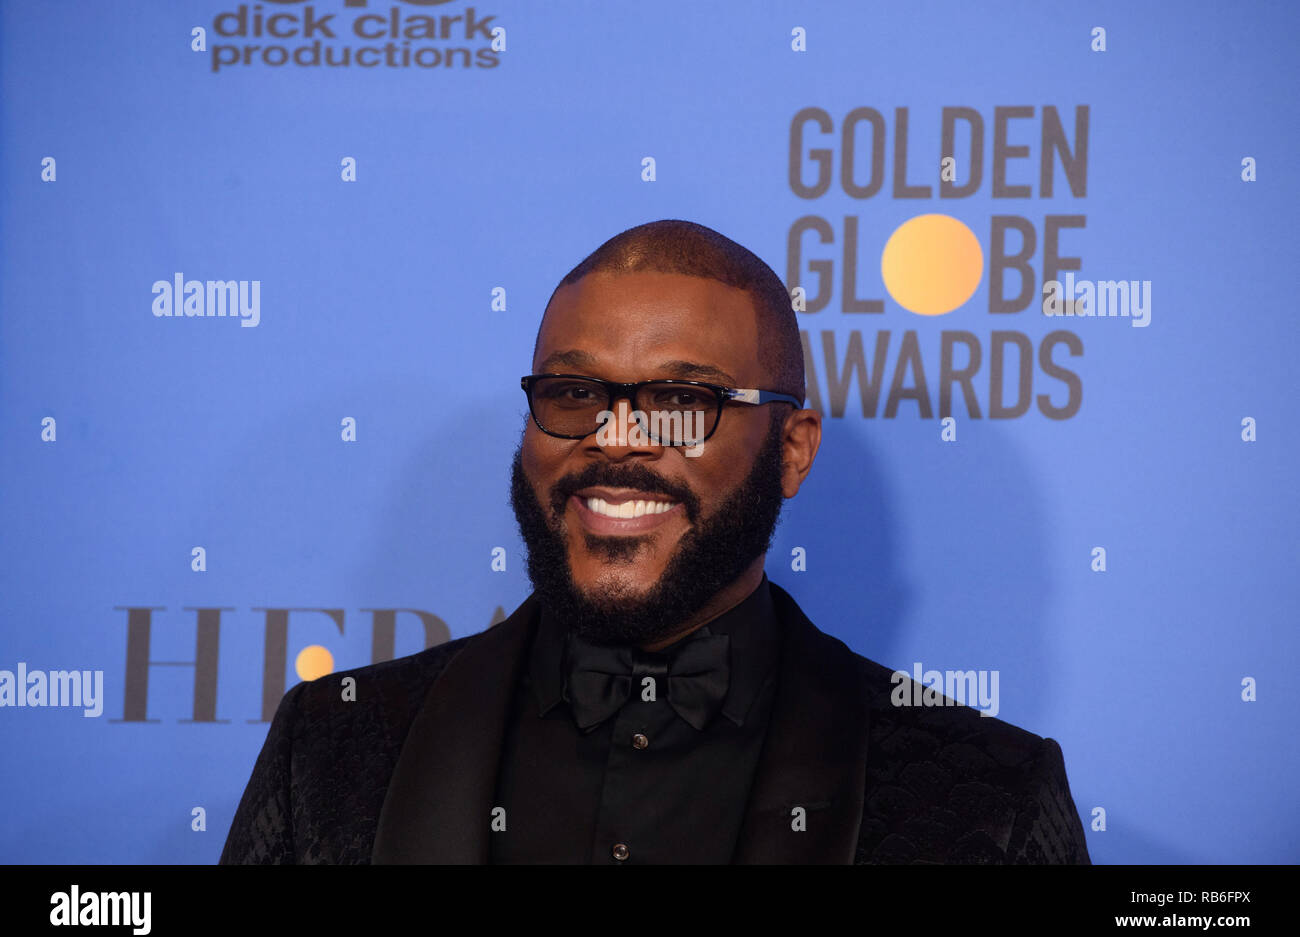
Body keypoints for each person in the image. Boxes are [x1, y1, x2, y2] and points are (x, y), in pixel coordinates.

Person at [219, 219, 1091, 864]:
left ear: (791, 452)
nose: (615, 437)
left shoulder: (989, 790)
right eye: (572, 391)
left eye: (680, 400)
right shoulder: (330, 747)